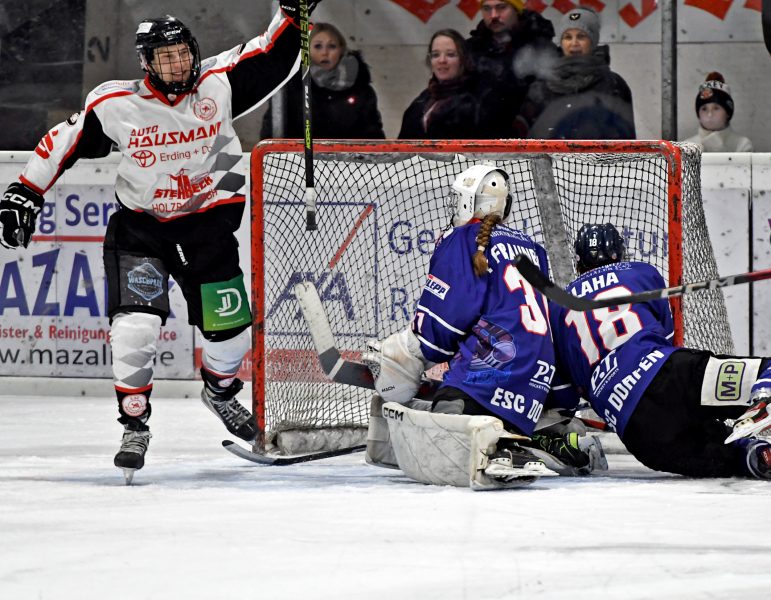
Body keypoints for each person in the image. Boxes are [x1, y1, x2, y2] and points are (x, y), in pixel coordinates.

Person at [0, 0, 323, 483]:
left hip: (208, 228)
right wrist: (25, 191)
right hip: (142, 231)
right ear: (146, 64)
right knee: (136, 328)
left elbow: (274, 56)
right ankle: (134, 423)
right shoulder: (116, 104)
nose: (177, 64)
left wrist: (292, 13)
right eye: (164, 57)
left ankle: (218, 391)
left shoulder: (219, 82)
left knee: (230, 332)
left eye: (181, 53)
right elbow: (60, 142)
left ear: (193, 51)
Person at [369, 164, 598, 484]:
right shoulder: (533, 248)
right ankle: (539, 436)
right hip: (535, 387)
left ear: (468, 202)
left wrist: (404, 354)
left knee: (444, 413)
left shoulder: (463, 239)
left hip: (490, 375)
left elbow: (441, 332)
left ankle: (497, 447)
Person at [549, 223, 771, 479]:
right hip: (666, 374)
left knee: (726, 456)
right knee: (763, 372)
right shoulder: (640, 273)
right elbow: (666, 338)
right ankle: (762, 396)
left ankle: (755, 455)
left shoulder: (558, 308)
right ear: (618, 252)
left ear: (579, 262)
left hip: (639, 433)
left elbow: (567, 394)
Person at [516, 7, 636, 139]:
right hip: (549, 159)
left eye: (581, 36)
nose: (574, 43)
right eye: (567, 37)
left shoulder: (613, 84)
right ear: (561, 42)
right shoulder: (541, 86)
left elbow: (626, 140)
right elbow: (525, 139)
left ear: (593, 41)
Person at [260, 22, 385, 140]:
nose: (325, 53)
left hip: (350, 161)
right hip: (299, 161)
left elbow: (373, 137)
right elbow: (272, 132)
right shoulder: (290, 88)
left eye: (332, 46)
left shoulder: (361, 90)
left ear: (341, 49)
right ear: (307, 50)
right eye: (318, 46)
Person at [398, 29, 509, 139]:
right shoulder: (424, 98)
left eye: (450, 55)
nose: (442, 60)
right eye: (436, 55)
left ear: (463, 60)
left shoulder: (474, 102)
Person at [465, 0, 558, 123]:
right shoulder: (472, 49)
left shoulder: (539, 47)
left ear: (516, 9)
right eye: (487, 9)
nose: (493, 15)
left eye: (501, 7)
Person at [682, 72, 753, 152]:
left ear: (727, 113)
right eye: (704, 109)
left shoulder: (742, 145)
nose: (710, 114)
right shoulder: (687, 147)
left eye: (716, 108)